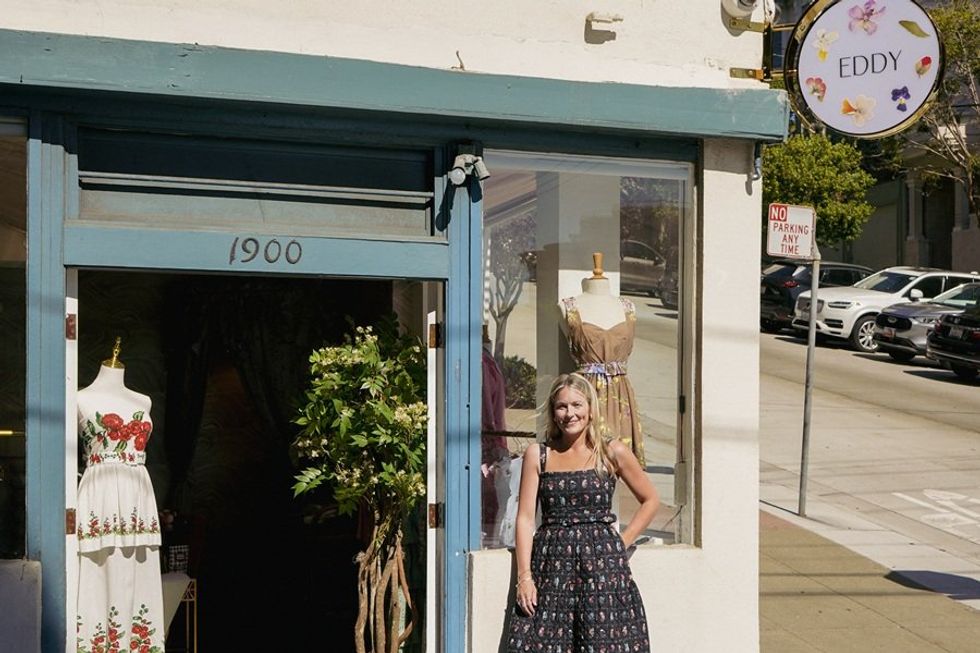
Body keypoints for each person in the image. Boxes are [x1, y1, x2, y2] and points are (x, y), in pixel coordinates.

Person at [506, 373, 659, 652]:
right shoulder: (539, 455)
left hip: (602, 569)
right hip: (551, 565)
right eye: (562, 406)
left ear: (590, 408)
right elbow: (526, 518)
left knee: (602, 644)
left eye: (577, 405)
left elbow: (650, 499)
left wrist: (619, 544)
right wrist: (524, 577)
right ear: (553, 411)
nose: (570, 413)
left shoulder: (611, 452)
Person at [75, 341, 164, 653]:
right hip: (100, 489)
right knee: (98, 570)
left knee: (136, 572)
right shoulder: (80, 398)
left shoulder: (144, 400)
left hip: (137, 491)